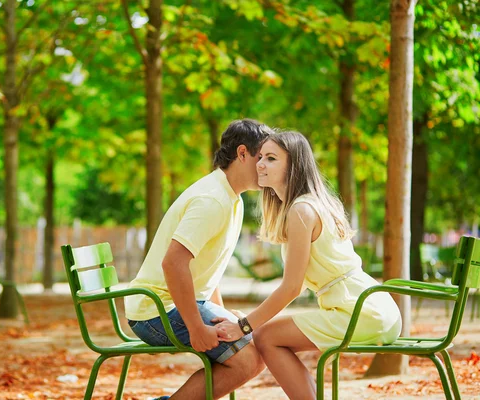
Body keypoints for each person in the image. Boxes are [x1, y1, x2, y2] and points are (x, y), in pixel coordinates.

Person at [215, 130, 402, 400]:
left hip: (361, 312)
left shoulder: (302, 210)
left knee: (266, 337)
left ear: (294, 166)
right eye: (260, 157)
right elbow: (296, 285)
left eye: (271, 158)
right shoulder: (310, 205)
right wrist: (246, 318)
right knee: (268, 334)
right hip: (374, 308)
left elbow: (291, 288)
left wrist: (244, 325)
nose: (260, 164)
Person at [124, 119, 274, 400]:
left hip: (176, 304)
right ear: (242, 154)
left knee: (257, 349)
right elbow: (174, 263)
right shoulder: (212, 200)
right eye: (262, 158)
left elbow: (208, 269)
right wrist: (196, 326)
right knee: (247, 360)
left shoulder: (232, 199)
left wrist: (223, 316)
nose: (267, 166)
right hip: (156, 310)